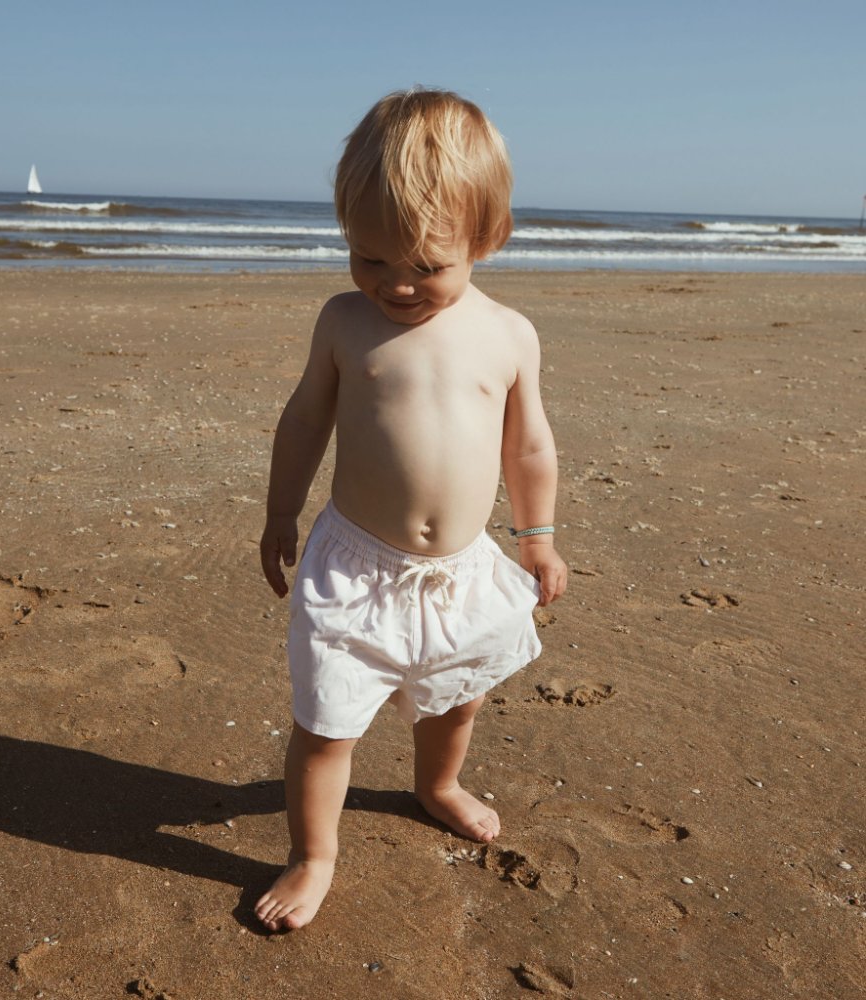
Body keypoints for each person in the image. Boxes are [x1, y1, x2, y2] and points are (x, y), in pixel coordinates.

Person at [255, 88, 567, 932]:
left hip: (461, 572)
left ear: (488, 238)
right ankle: (313, 856)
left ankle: (437, 785)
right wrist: (281, 512)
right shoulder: (343, 323)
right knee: (327, 725)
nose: (395, 284)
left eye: (427, 266)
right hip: (356, 571)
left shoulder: (509, 334)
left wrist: (537, 538)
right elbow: (305, 420)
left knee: (456, 699)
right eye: (369, 257)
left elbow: (528, 447)